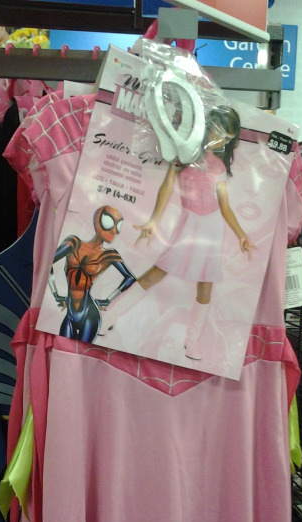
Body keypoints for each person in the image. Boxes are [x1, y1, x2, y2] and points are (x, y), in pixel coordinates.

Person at [102, 106, 255, 361]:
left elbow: (225, 207)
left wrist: (241, 234)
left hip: (212, 228)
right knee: (157, 272)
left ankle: (192, 341)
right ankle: (109, 316)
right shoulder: (183, 155)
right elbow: (166, 186)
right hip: (189, 223)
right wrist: (153, 221)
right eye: (219, 133)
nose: (221, 141)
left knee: (205, 284)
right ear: (207, 127)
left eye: (227, 139)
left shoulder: (218, 167)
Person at [49, 205, 136, 342]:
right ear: (97, 220)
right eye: (109, 222)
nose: (114, 230)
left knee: (81, 352)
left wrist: (109, 299)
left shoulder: (109, 255)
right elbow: (48, 261)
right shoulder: (73, 243)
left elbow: (130, 278)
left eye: (118, 225)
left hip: (90, 315)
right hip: (70, 314)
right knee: (62, 347)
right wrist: (54, 292)